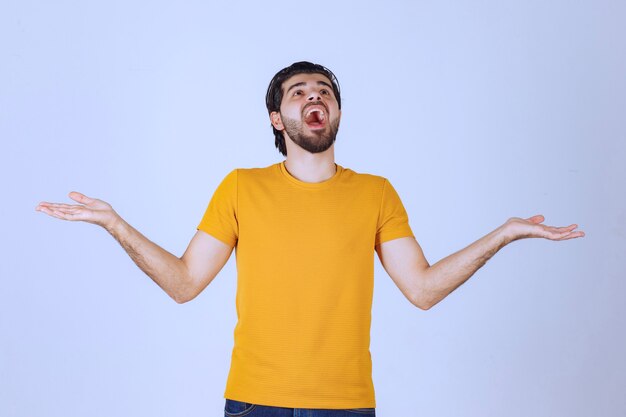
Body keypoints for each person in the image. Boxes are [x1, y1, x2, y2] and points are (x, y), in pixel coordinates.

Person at [35, 61, 585, 417]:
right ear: (278, 118)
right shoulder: (240, 187)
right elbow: (184, 283)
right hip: (255, 404)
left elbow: (422, 289)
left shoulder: (376, 193)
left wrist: (506, 233)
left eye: (324, 91)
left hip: (346, 405)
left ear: (337, 113)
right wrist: (115, 224)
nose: (313, 97)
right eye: (298, 92)